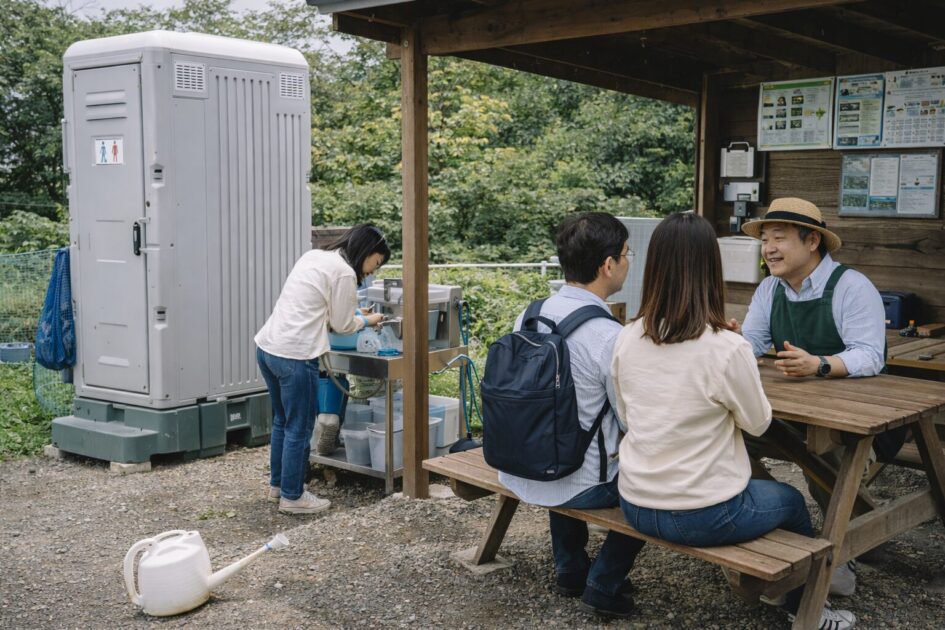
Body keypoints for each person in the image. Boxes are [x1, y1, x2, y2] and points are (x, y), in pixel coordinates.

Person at [613, 213, 855, 630]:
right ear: (711, 268)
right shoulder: (726, 348)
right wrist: (735, 349)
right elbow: (759, 424)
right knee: (791, 501)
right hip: (702, 515)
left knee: (762, 491)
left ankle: (784, 589)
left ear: (654, 267)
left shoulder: (627, 336)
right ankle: (807, 607)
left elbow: (625, 413)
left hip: (635, 502)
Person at [738, 197, 895, 597]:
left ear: (812, 242)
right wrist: (725, 342)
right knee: (729, 437)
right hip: (796, 416)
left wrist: (820, 364)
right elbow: (751, 343)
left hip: (862, 419)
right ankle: (773, 533)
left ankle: (838, 556)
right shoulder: (769, 289)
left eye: (779, 238)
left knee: (821, 460)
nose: (768, 248)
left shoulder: (851, 286)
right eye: (765, 240)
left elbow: (870, 355)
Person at [498, 212, 645, 619]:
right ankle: (604, 580)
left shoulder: (529, 314)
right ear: (607, 265)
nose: (628, 262)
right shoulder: (609, 336)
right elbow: (631, 417)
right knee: (658, 486)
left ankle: (570, 567)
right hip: (579, 483)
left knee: (566, 436)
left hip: (521, 467)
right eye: (626, 254)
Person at [254, 224, 389, 515]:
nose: (372, 272)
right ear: (365, 252)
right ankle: (293, 496)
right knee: (300, 428)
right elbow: (341, 326)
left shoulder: (315, 256)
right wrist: (369, 319)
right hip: (294, 356)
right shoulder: (343, 273)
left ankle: (278, 486)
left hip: (268, 348)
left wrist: (354, 314)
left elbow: (316, 306)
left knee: (283, 422)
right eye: (375, 263)